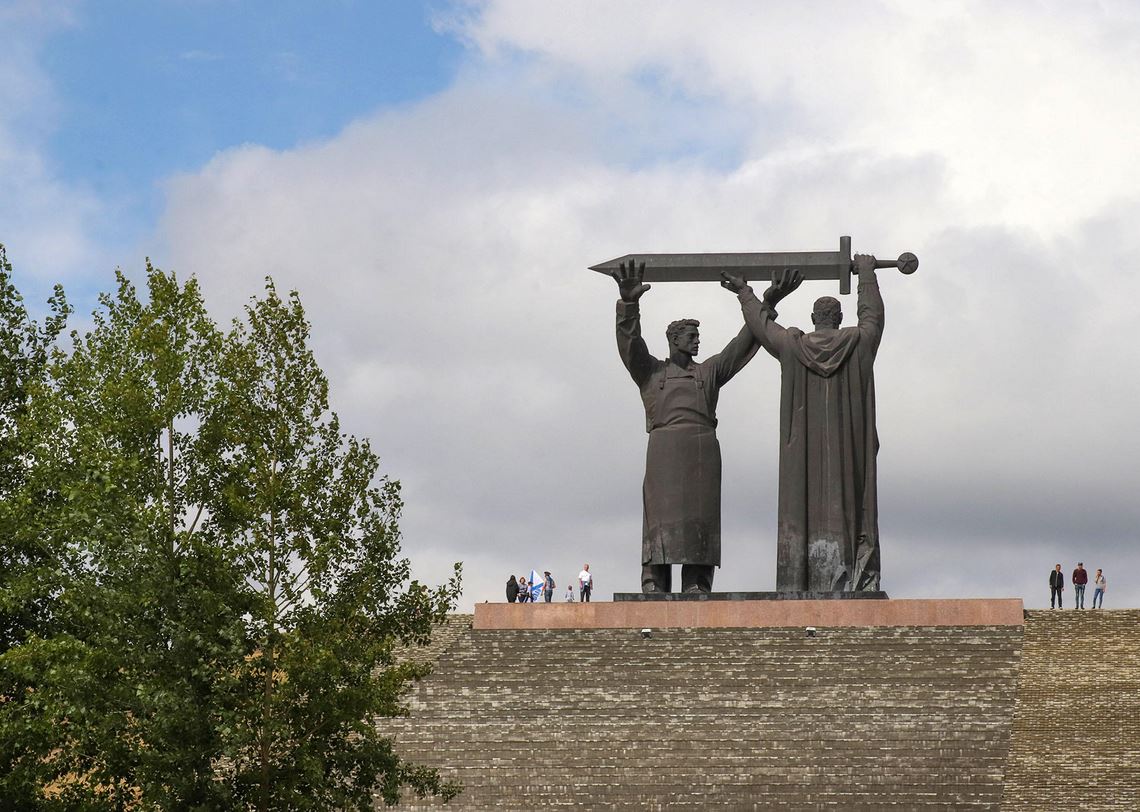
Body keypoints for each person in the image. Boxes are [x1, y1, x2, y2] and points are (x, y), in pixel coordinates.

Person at [721, 259, 883, 592]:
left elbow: (761, 326)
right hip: (848, 452)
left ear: (813, 320)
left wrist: (745, 293)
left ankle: (799, 581)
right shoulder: (859, 343)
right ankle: (847, 579)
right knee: (851, 506)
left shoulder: (793, 346)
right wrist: (867, 276)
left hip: (803, 457)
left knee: (800, 508)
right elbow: (873, 318)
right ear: (839, 319)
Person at [613, 261, 764, 594]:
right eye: (691, 336)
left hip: (701, 454)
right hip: (664, 453)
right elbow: (630, 343)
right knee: (659, 520)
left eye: (698, 336)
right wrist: (628, 303)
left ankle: (697, 580)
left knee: (701, 519)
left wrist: (755, 298)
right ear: (674, 339)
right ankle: (654, 579)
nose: (697, 341)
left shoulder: (707, 373)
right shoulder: (651, 374)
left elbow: (743, 344)